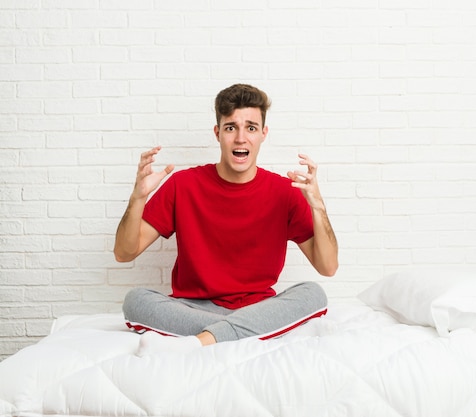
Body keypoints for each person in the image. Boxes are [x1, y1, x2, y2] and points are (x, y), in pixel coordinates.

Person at [114, 84, 338, 356]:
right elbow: (124, 253)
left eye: (251, 128)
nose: (241, 138)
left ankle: (200, 342)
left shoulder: (285, 193)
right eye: (231, 127)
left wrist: (318, 207)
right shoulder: (182, 185)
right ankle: (244, 332)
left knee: (313, 294)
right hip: (193, 308)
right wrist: (137, 198)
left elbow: (327, 267)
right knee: (136, 301)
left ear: (263, 134)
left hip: (258, 307)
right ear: (218, 133)